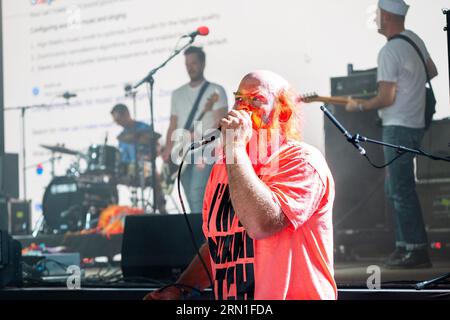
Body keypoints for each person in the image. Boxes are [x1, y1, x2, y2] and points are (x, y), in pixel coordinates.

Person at [146, 70, 337, 300]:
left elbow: (260, 225)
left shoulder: (301, 160)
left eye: (256, 100)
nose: (242, 108)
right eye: (239, 99)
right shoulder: (223, 167)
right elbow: (219, 245)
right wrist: (181, 288)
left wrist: (234, 148)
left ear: (283, 112)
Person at [345, 0, 438, 268]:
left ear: (386, 16)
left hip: (398, 126)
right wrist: (411, 89)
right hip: (415, 124)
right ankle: (403, 246)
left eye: (377, 14)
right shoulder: (414, 40)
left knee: (401, 190)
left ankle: (417, 250)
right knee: (395, 188)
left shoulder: (388, 52)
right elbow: (431, 71)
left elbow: (386, 97)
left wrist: (359, 105)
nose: (375, 19)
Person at [162, 46, 228, 214]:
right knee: (190, 197)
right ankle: (200, 229)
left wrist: (200, 137)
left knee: (197, 192)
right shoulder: (177, 93)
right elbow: (173, 124)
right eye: (187, 64)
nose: (190, 67)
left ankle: (203, 236)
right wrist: (168, 151)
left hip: (205, 150)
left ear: (203, 63)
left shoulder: (215, 90)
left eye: (194, 63)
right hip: (181, 152)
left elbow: (222, 122)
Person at [111, 103, 167, 213]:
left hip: (145, 167)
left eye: (118, 119)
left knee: (155, 177)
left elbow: (157, 148)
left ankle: (161, 208)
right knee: (109, 179)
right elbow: (122, 159)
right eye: (115, 121)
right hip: (128, 171)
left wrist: (149, 156)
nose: (117, 123)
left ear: (126, 114)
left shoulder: (144, 128)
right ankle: (113, 211)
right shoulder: (122, 136)